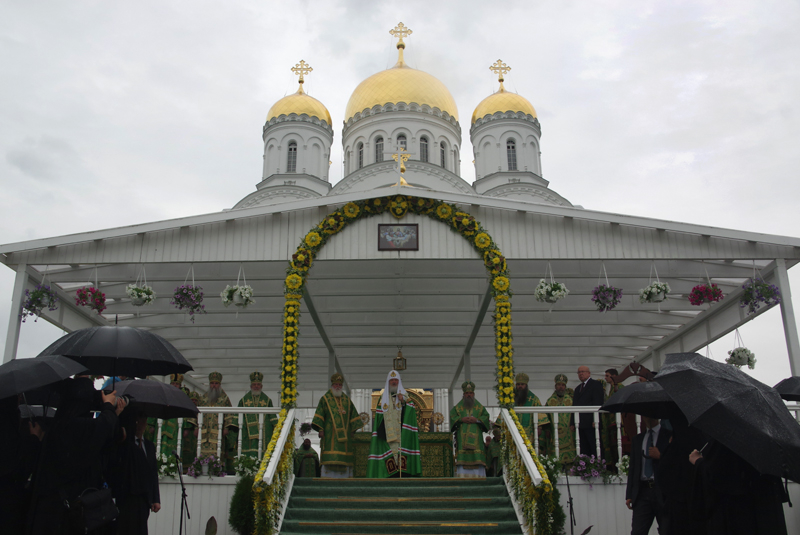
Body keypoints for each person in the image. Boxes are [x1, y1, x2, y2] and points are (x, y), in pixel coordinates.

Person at [28, 377, 127, 535]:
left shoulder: (58, 426)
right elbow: (103, 428)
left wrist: (113, 413)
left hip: (51, 511)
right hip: (70, 511)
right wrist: (108, 407)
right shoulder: (78, 427)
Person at [689, 440, 788, 535]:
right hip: (763, 509)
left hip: (736, 513)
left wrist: (698, 461)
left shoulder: (728, 438)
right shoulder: (766, 440)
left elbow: (717, 476)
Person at [111, 409, 161, 535]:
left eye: (144, 422)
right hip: (128, 495)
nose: (142, 425)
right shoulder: (126, 444)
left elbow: (153, 472)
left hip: (144, 498)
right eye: (139, 422)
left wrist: (155, 498)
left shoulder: (149, 446)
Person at [367, 370, 421, 477]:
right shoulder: (382, 398)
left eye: (396, 380)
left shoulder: (405, 396)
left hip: (401, 435)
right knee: (390, 460)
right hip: (387, 436)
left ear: (399, 381)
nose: (394, 382)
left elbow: (411, 411)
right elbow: (378, 418)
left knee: (401, 459)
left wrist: (403, 401)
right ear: (388, 382)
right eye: (392, 380)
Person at [625, 416, 671, 535]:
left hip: (662, 492)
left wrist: (661, 456)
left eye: (650, 415)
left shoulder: (668, 436)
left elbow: (675, 463)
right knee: (638, 530)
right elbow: (633, 468)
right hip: (642, 492)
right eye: (645, 415)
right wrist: (630, 494)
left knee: (666, 529)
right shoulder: (638, 439)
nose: (648, 418)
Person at [311, 373, 362, 478]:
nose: (338, 387)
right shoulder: (325, 399)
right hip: (330, 435)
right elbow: (320, 415)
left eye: (340, 385)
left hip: (345, 437)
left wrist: (353, 429)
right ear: (332, 385)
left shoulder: (347, 400)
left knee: (344, 456)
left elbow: (354, 415)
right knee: (330, 453)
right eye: (336, 385)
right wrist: (320, 429)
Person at [450, 381, 491, 478]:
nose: (469, 395)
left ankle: (478, 477)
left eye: (470, 393)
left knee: (477, 460)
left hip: (476, 441)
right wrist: (461, 419)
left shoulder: (479, 407)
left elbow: (486, 417)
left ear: (474, 394)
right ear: (463, 394)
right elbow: (452, 417)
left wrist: (477, 420)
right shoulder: (458, 408)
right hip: (462, 440)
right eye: (467, 393)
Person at [198, 372, 236, 473]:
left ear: (219, 385)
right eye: (212, 383)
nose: (214, 385)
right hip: (204, 433)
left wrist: (226, 427)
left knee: (217, 454)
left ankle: (216, 471)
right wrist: (196, 427)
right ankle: (202, 471)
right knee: (202, 454)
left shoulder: (224, 398)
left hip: (217, 433)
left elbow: (229, 414)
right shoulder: (203, 398)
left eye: (216, 383)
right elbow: (197, 413)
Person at [236, 372, 278, 460]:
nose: (256, 386)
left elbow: (272, 416)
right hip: (247, 432)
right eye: (254, 384)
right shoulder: (243, 400)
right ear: (251, 387)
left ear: (261, 386)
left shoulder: (267, 400)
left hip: (263, 431)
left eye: (258, 384)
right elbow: (237, 416)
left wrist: (277, 426)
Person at [541, 374, 577, 464]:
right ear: (555, 386)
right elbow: (546, 416)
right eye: (559, 385)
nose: (561, 387)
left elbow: (575, 415)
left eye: (563, 385)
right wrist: (548, 429)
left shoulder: (571, 400)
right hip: (554, 433)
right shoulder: (550, 401)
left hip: (569, 432)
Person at [570, 366, 604, 457]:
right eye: (579, 372)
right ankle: (585, 468)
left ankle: (598, 467)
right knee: (583, 448)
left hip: (591, 422)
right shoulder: (578, 388)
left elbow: (598, 402)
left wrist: (596, 419)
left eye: (583, 372)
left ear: (589, 373)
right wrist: (572, 422)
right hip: (580, 423)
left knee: (594, 446)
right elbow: (574, 406)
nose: (581, 374)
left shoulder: (595, 384)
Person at [512, 373, 549, 452]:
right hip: (513, 432)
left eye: (522, 384)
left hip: (530, 434)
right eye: (518, 384)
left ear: (526, 385)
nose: (520, 386)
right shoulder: (511, 398)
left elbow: (540, 413)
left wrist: (539, 427)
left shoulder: (533, 399)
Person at [601, 368, 622, 469]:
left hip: (619, 421)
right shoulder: (611, 388)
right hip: (611, 422)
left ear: (614, 376)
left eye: (607, 376)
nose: (605, 378)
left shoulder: (620, 387)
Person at [181, 391, 200, 469]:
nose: (194, 402)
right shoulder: (186, 409)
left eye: (195, 400)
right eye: (192, 400)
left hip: (195, 438)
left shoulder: (200, 411)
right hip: (187, 437)